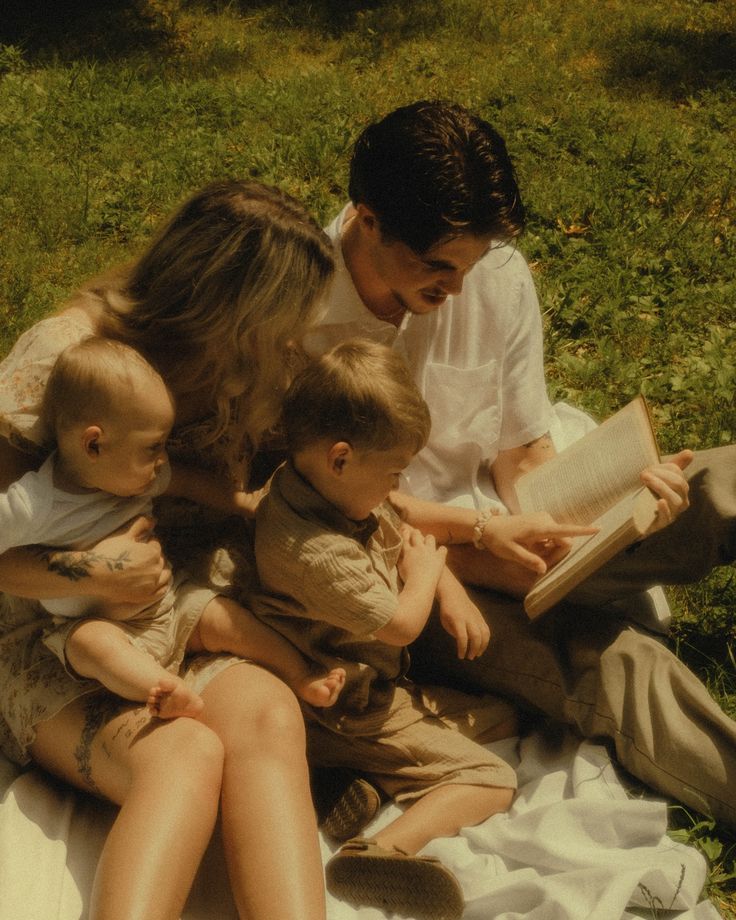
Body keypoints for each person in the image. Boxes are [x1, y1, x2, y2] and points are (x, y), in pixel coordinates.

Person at [300, 100, 736, 830]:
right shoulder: (296, 318)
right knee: (620, 667)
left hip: (521, 530)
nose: (459, 290)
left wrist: (614, 503)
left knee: (716, 483)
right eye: (438, 268)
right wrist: (475, 549)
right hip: (423, 585)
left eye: (470, 264)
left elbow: (523, 450)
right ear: (367, 220)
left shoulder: (492, 273)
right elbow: (323, 516)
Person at [0, 179, 336, 920]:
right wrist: (89, 570)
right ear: (224, 308)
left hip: (170, 607)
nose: (290, 345)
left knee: (268, 713)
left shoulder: (237, 368)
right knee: (185, 753)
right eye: (278, 324)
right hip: (49, 631)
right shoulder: (69, 362)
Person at [251, 339, 597, 920]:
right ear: (340, 458)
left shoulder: (330, 488)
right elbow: (402, 624)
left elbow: (404, 523)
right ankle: (379, 850)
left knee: (503, 717)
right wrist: (429, 573)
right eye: (392, 473)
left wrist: (450, 585)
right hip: (342, 704)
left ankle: (350, 782)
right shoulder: (309, 550)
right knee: (492, 780)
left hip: (374, 684)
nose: (396, 488)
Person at [1, 336, 346, 719]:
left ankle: (301, 674)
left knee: (228, 620)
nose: (163, 459)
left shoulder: (137, 473)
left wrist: (247, 504)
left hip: (171, 604)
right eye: (152, 447)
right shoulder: (32, 503)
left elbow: (192, 482)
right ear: (94, 445)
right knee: (92, 647)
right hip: (101, 623)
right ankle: (164, 690)